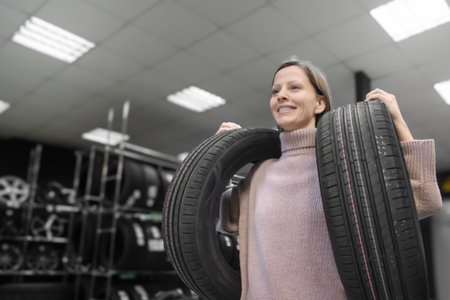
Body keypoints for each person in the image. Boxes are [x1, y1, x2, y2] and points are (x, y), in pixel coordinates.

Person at [216, 59, 442, 299]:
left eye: (294, 88)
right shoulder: (260, 172)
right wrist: (219, 157)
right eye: (275, 91)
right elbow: (228, 222)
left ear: (319, 103)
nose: (281, 95)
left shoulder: (346, 166)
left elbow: (425, 200)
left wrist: (398, 122)